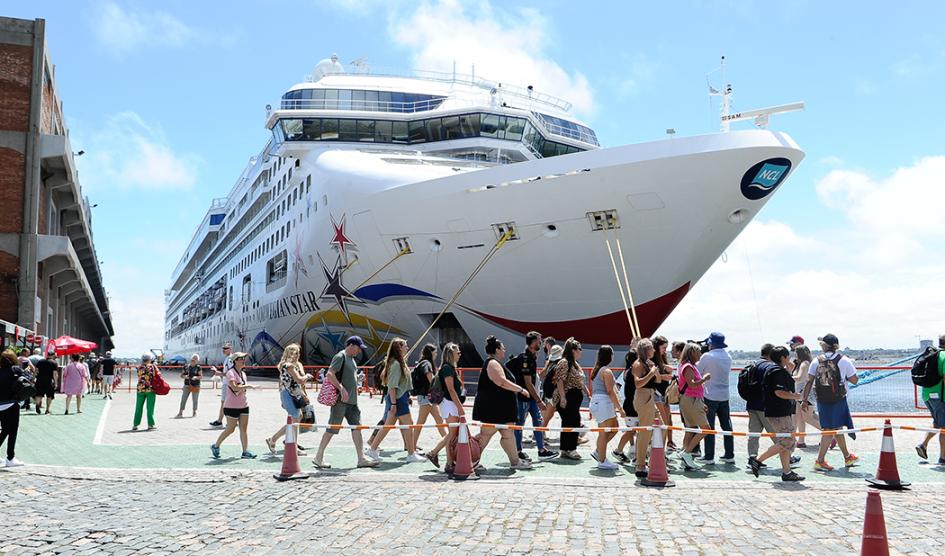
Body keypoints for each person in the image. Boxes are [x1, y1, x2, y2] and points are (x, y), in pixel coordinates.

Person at [313, 336, 378, 469]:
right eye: (359, 348)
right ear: (351, 345)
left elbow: (348, 376)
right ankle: (318, 457)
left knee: (357, 428)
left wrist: (358, 378)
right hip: (340, 401)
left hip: (352, 402)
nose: (359, 351)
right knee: (332, 428)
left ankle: (361, 459)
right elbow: (330, 374)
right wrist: (341, 388)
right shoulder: (340, 356)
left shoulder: (352, 360)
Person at [471, 336, 532, 470]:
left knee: (508, 435)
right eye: (502, 348)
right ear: (497, 349)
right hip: (494, 410)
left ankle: (515, 461)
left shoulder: (496, 363)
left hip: (503, 410)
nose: (504, 350)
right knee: (485, 435)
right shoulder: (492, 363)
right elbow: (501, 382)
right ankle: (470, 461)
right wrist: (520, 389)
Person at [801, 333, 860, 471]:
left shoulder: (816, 361)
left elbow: (809, 381)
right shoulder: (844, 360)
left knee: (836, 427)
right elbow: (854, 380)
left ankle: (847, 457)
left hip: (822, 399)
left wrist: (804, 400)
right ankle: (820, 460)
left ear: (824, 345)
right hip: (838, 399)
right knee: (829, 429)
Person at [750, 346, 805, 481]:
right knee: (787, 441)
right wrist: (796, 396)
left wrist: (790, 370)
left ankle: (787, 472)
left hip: (776, 411)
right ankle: (757, 460)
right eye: (787, 357)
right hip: (779, 412)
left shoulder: (775, 371)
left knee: (784, 442)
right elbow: (779, 392)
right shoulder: (777, 372)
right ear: (783, 358)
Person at [365, 338, 424, 463]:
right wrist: (394, 404)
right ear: (399, 348)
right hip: (398, 398)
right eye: (405, 346)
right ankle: (411, 453)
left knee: (388, 426)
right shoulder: (396, 364)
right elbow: (392, 386)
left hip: (399, 397)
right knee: (408, 424)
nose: (407, 348)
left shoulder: (397, 363)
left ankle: (373, 449)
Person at [509, 331, 558, 461]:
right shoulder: (526, 358)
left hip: (530, 398)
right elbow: (528, 383)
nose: (541, 343)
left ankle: (542, 450)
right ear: (532, 343)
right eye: (539, 340)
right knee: (520, 424)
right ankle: (518, 451)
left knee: (538, 421)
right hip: (523, 397)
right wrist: (539, 401)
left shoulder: (532, 357)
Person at [425, 343, 465, 473]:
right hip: (449, 403)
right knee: (452, 434)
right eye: (458, 352)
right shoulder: (447, 369)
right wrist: (459, 407)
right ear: (451, 354)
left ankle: (446, 461)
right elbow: (451, 389)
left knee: (452, 434)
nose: (460, 354)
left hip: (449, 403)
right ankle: (439, 456)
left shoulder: (448, 368)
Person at [211, 352, 258, 459]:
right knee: (231, 429)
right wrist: (249, 386)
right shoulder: (230, 373)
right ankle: (216, 445)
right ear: (235, 361)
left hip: (244, 405)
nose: (243, 360)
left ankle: (245, 451)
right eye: (241, 358)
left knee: (243, 429)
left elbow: (241, 389)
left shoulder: (243, 374)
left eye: (243, 358)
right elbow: (235, 387)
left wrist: (246, 387)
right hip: (231, 406)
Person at [265, 343, 311, 455]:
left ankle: (276, 440)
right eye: (296, 353)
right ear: (291, 354)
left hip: (290, 394)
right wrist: (307, 376)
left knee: (296, 418)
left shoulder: (285, 365)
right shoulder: (289, 366)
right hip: (289, 394)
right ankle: (277, 441)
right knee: (295, 419)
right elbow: (299, 380)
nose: (298, 355)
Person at [698, 332, 736, 465]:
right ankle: (729, 454)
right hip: (724, 395)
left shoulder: (707, 356)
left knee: (709, 426)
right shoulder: (728, 356)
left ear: (711, 344)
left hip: (710, 395)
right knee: (727, 425)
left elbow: (698, 371)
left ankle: (709, 456)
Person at [553, 337, 591, 460]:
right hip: (568, 396)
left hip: (574, 396)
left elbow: (579, 380)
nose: (581, 351)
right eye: (579, 349)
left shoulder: (575, 364)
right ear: (573, 350)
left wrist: (586, 391)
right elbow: (560, 380)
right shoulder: (564, 362)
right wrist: (563, 398)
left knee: (569, 422)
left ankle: (565, 448)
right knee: (573, 421)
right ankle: (571, 449)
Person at [677, 342, 712, 470]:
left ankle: (685, 452)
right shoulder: (688, 367)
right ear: (692, 353)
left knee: (691, 428)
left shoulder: (687, 366)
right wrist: (704, 378)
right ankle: (687, 452)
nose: (700, 355)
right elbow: (692, 384)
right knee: (706, 428)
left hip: (692, 400)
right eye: (698, 352)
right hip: (691, 400)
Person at [588, 345, 624, 470]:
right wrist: (620, 408)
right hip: (603, 402)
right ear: (609, 356)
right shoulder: (606, 371)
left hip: (599, 402)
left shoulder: (597, 369)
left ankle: (599, 451)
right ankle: (602, 460)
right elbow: (610, 391)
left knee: (613, 428)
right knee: (605, 432)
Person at [631, 338, 662, 478]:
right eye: (651, 348)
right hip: (643, 397)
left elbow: (658, 380)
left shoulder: (649, 363)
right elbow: (638, 384)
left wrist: (655, 372)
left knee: (659, 427)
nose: (654, 350)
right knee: (645, 431)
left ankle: (645, 458)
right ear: (645, 350)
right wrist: (651, 373)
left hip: (650, 396)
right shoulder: (638, 364)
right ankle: (640, 464)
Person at [915, 334, 945, 465]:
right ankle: (943, 458)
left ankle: (923, 444)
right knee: (944, 427)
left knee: (938, 422)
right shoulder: (944, 356)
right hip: (940, 396)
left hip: (927, 394)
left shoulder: (934, 354)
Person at [745, 344, 777, 464]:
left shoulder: (752, 364)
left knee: (753, 434)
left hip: (751, 404)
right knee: (776, 434)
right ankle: (788, 458)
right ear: (771, 354)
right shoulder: (769, 366)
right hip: (765, 406)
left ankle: (752, 458)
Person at [411, 344, 446, 451]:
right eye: (435, 353)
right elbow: (430, 379)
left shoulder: (422, 362)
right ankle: (411, 447)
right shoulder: (427, 363)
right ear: (431, 353)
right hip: (427, 397)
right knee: (423, 423)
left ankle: (448, 443)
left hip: (426, 397)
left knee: (437, 421)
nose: (436, 355)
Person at [650, 336, 677, 451]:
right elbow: (649, 377)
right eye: (663, 348)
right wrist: (664, 376)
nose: (665, 350)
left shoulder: (662, 359)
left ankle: (663, 450)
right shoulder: (652, 361)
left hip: (664, 393)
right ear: (656, 347)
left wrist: (666, 370)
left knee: (667, 422)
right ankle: (660, 452)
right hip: (657, 393)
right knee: (664, 424)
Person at [613, 348, 639, 464]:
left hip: (630, 404)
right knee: (632, 430)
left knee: (632, 430)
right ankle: (619, 450)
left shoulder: (627, 371)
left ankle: (629, 451)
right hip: (632, 405)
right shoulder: (633, 371)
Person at [1, 350, 26, 467]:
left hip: (0, 405)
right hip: (12, 404)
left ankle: (9, 458)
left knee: (5, 429)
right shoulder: (16, 370)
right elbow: (28, 379)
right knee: (12, 431)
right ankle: (10, 458)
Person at [792, 345, 820, 448]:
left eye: (796, 353)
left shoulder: (805, 364)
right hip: (800, 395)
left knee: (808, 418)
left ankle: (830, 435)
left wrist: (786, 378)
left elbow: (800, 378)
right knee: (799, 418)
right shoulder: (803, 363)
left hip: (806, 395)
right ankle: (801, 440)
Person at [538, 338, 560, 436]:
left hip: (550, 389)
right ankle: (540, 432)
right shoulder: (553, 360)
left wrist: (539, 374)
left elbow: (544, 373)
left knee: (547, 412)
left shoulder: (550, 358)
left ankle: (540, 432)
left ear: (547, 344)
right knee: (548, 412)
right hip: (553, 390)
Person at [209, 343, 234, 428]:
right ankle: (228, 421)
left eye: (226, 348)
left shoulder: (230, 359)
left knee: (225, 403)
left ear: (230, 349)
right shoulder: (228, 358)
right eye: (223, 348)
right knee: (227, 403)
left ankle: (222, 421)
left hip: (227, 384)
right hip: (226, 383)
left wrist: (219, 373)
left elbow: (231, 373)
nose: (224, 350)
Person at [133, 354, 159, 431]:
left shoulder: (139, 367)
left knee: (138, 407)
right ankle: (150, 425)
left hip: (140, 389)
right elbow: (156, 376)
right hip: (150, 389)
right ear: (149, 359)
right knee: (150, 408)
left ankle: (135, 425)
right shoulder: (152, 367)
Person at [175, 354, 203, 418]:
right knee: (183, 399)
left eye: (196, 359)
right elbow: (181, 375)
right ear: (191, 359)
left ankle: (194, 412)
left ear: (197, 361)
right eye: (193, 358)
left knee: (195, 399)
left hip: (196, 385)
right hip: (187, 385)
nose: (194, 360)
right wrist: (185, 376)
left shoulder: (198, 367)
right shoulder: (186, 366)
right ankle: (180, 412)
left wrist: (196, 377)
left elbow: (201, 376)